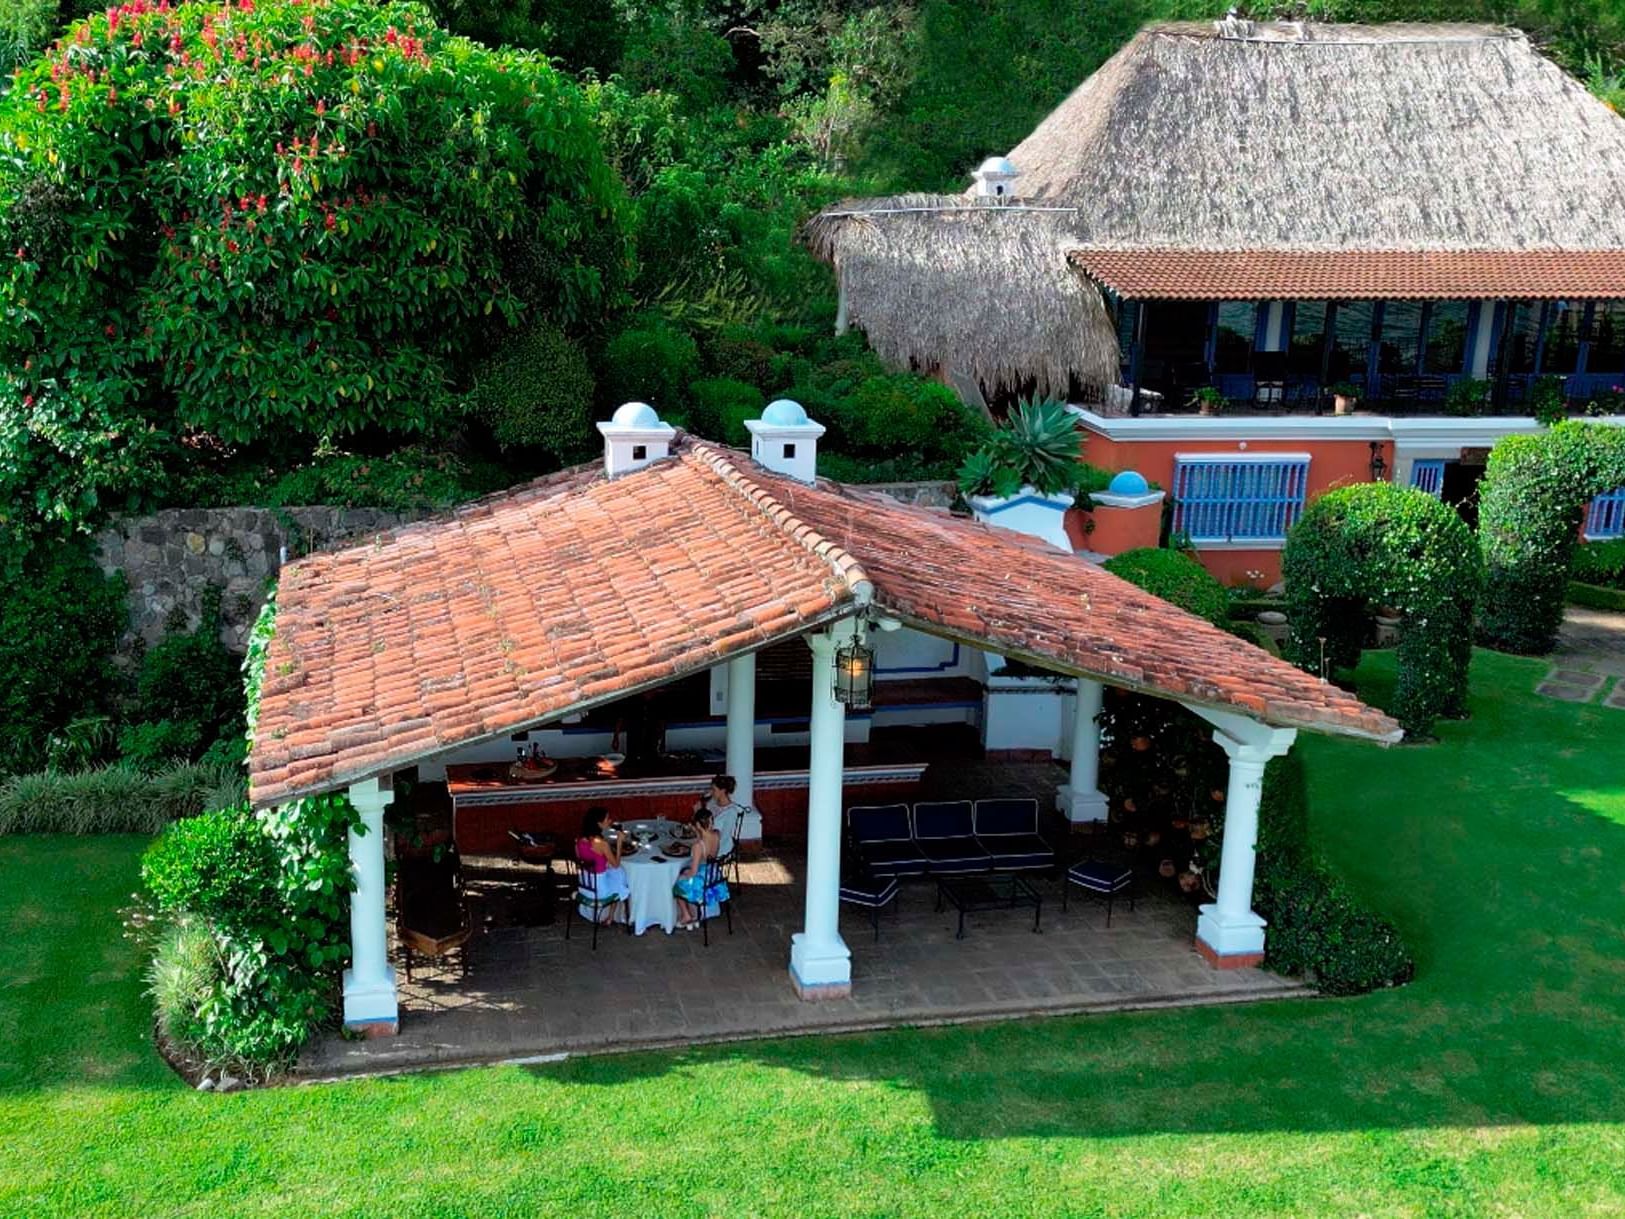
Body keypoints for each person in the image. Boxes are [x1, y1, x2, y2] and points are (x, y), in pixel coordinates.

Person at [672, 808, 728, 931]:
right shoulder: (717, 834)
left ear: (698, 824)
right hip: (714, 874)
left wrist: (686, 873)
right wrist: (697, 831)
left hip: (702, 879)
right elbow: (704, 839)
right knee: (684, 875)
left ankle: (686, 915)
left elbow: (693, 872)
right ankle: (694, 914)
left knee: (676, 885)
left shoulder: (698, 847)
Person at [574, 806, 631, 924]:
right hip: (600, 890)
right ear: (599, 823)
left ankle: (609, 916)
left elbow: (581, 861)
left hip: (585, 886)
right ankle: (610, 916)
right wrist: (619, 842)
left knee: (616, 874)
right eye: (607, 819)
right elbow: (615, 864)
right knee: (620, 874)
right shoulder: (602, 844)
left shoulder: (579, 840)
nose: (610, 821)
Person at [691, 773, 750, 857]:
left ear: (723, 791)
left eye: (713, 790)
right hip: (706, 839)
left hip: (719, 849)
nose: (711, 792)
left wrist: (697, 813)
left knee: (692, 852)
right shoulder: (712, 803)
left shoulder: (731, 812)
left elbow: (720, 837)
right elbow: (704, 824)